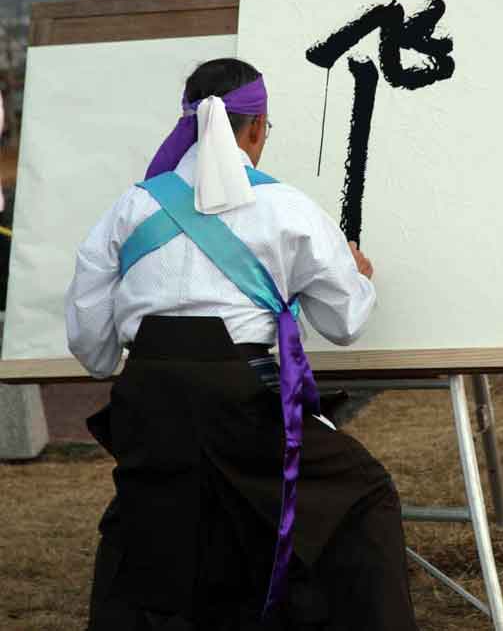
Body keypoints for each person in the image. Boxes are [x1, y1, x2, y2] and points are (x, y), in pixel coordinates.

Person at [65, 57, 419, 631]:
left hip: (151, 418)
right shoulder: (286, 208)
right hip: (244, 415)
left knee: (147, 512)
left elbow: (93, 348)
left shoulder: (128, 209)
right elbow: (346, 320)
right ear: (255, 128)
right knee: (363, 496)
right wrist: (359, 276)